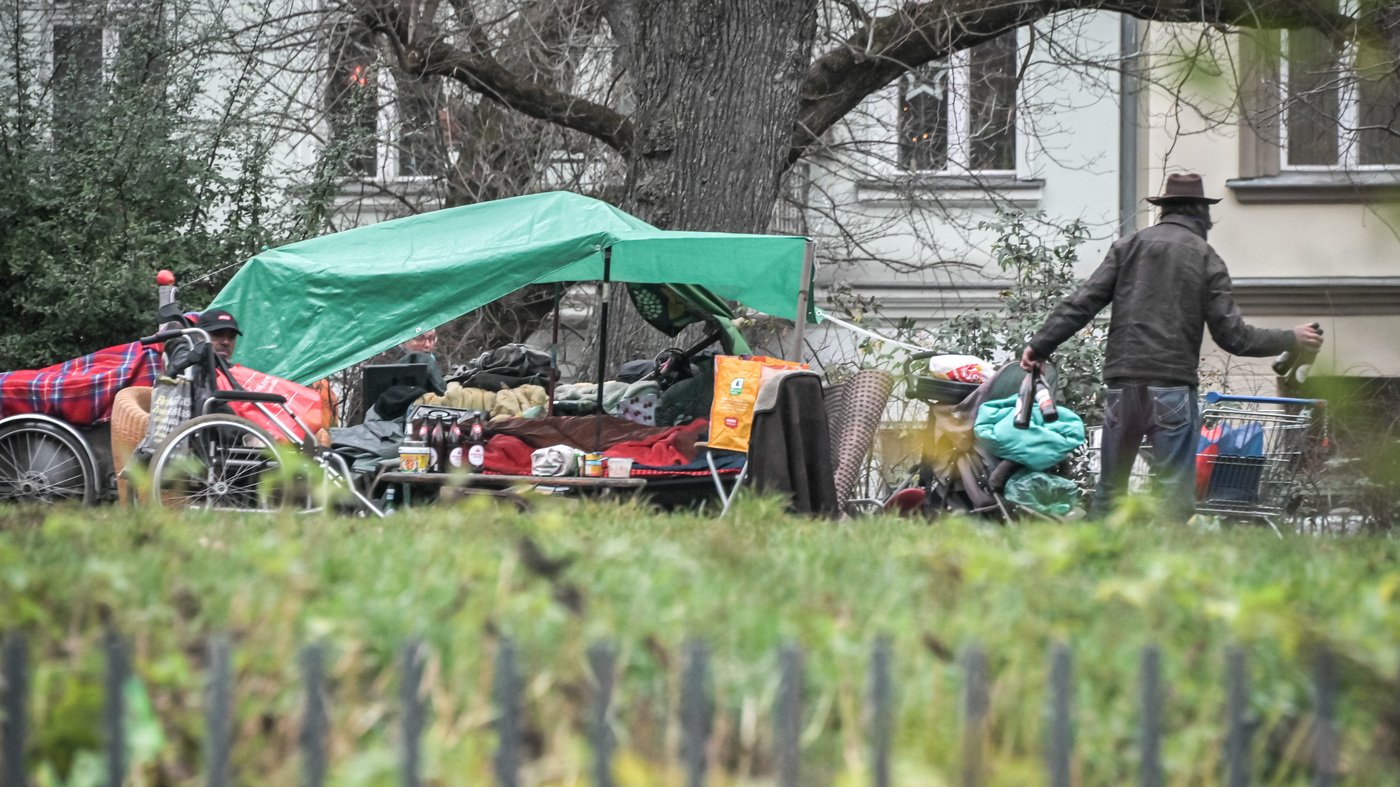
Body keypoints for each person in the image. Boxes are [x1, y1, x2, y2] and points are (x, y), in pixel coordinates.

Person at [1019, 172, 1324, 520]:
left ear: (1164, 209)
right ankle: (1166, 551)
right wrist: (1290, 337)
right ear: (1201, 213)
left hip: (1123, 384)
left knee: (1111, 490)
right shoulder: (1206, 258)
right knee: (1173, 494)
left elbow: (1081, 303)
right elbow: (1234, 338)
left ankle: (1100, 552)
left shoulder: (1128, 247)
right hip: (1171, 388)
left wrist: (1039, 346)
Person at [398, 328, 447, 395]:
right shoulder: (388, 362)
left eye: (431, 339)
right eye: (419, 339)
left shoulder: (439, 363)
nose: (427, 345)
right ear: (403, 341)